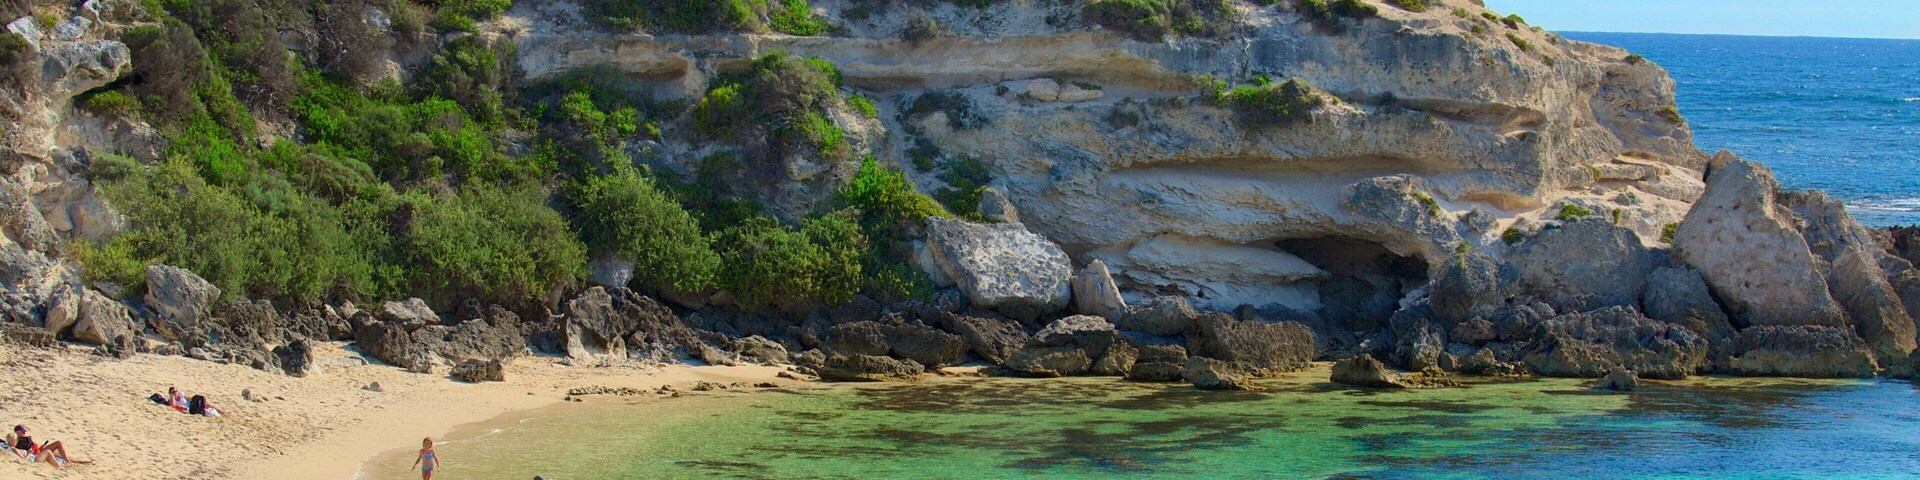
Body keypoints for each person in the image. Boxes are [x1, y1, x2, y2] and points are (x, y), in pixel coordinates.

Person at [10, 425, 89, 467]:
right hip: (37, 454)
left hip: (39, 450)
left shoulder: (25, 438)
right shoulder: (18, 442)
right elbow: (26, 451)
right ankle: (69, 463)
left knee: (58, 450)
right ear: (17, 432)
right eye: (23, 431)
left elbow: (32, 447)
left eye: (25, 431)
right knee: (57, 445)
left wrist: (40, 448)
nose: (24, 433)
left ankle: (79, 461)